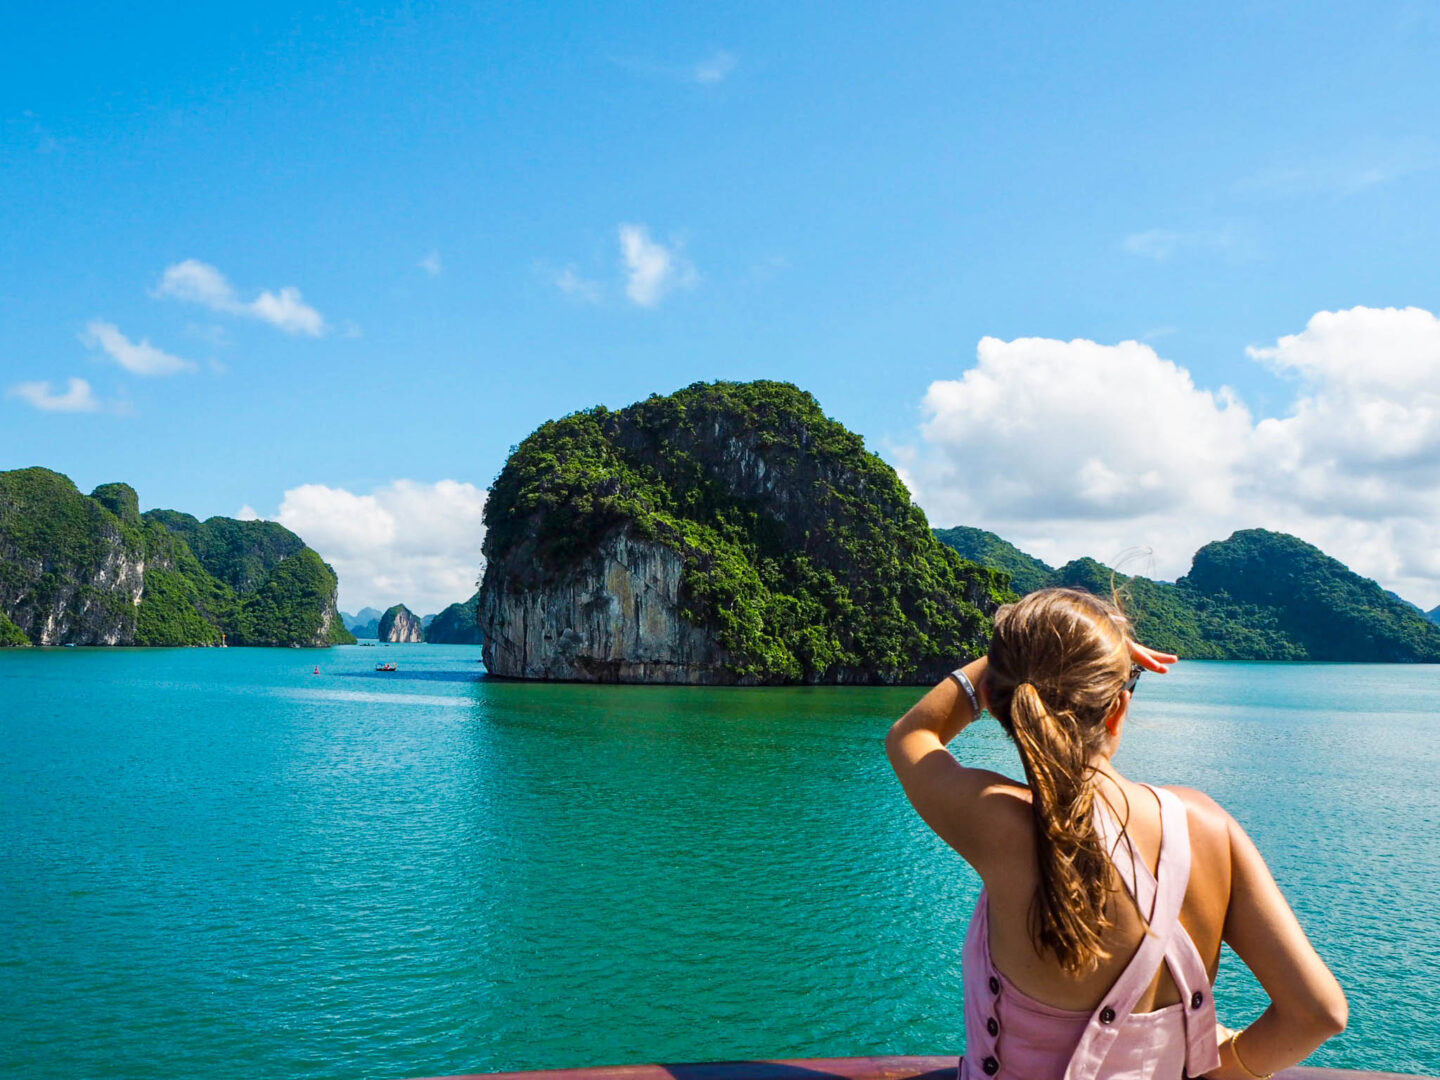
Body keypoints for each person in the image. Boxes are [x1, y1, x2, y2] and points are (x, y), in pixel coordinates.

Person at [886, 587, 1346, 1080]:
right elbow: (1317, 1014)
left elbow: (911, 735)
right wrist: (1222, 1069)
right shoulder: (1208, 829)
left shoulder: (998, 824)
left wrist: (1006, 664)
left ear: (1005, 709)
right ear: (1117, 709)